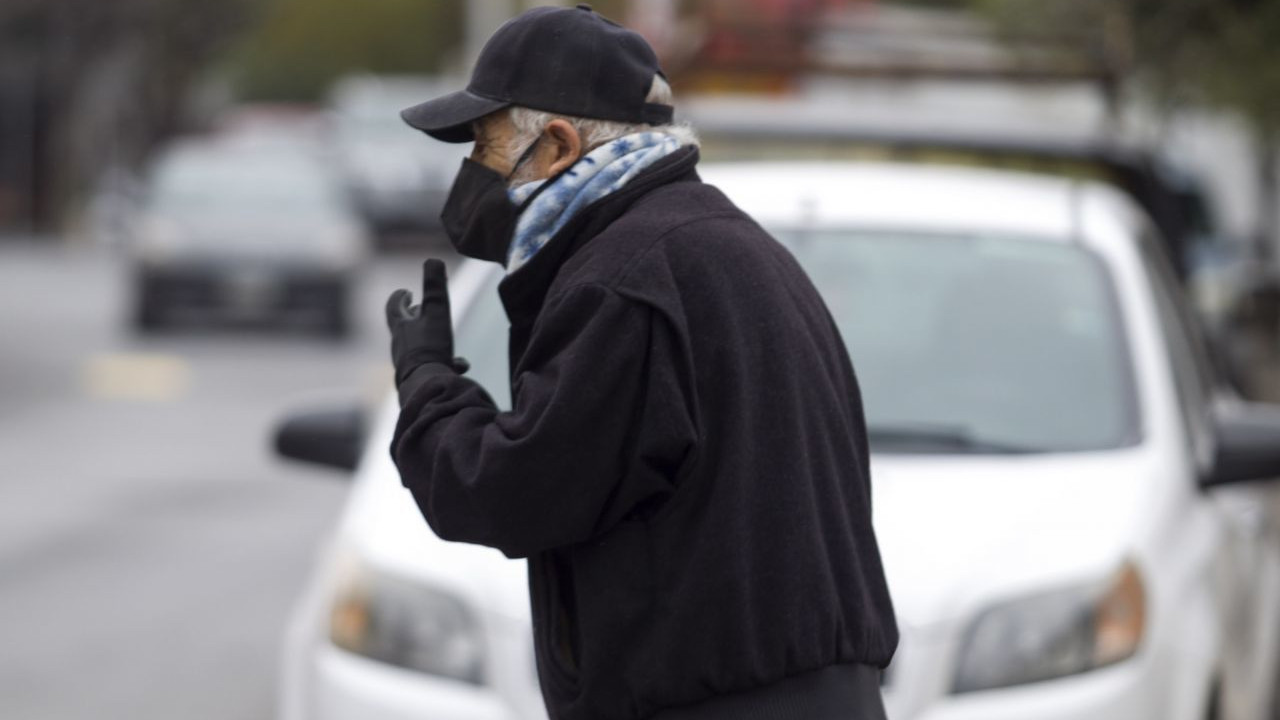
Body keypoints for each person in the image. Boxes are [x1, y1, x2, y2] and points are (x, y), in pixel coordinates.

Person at [384, 5, 897, 719]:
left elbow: (515, 492)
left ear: (558, 144)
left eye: (484, 143)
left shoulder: (624, 279)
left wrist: (427, 385)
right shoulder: (725, 245)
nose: (472, 170)